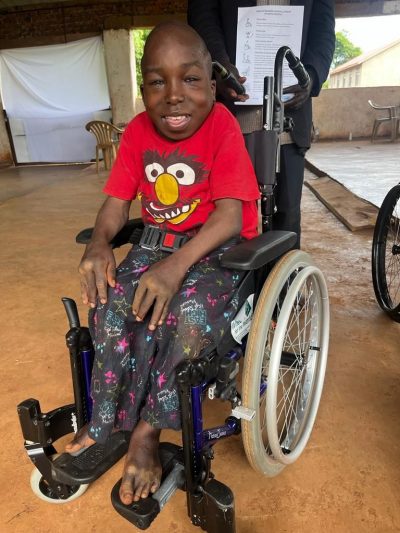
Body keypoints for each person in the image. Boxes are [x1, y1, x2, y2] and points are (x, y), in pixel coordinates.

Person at [65, 21, 260, 506]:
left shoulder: (222, 128)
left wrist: (176, 269)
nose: (174, 95)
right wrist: (100, 244)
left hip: (215, 248)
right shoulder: (135, 133)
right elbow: (115, 203)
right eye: (157, 81)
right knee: (111, 305)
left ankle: (147, 434)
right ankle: (107, 418)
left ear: (212, 86)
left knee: (186, 321)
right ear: (144, 89)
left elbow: (231, 215)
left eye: (190, 79)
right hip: (156, 245)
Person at [188, 0, 335, 248]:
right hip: (233, 111)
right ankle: (235, 285)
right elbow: (204, 14)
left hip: (289, 115)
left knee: (287, 217)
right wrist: (219, 67)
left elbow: (323, 28)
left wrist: (310, 73)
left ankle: (284, 285)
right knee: (228, 215)